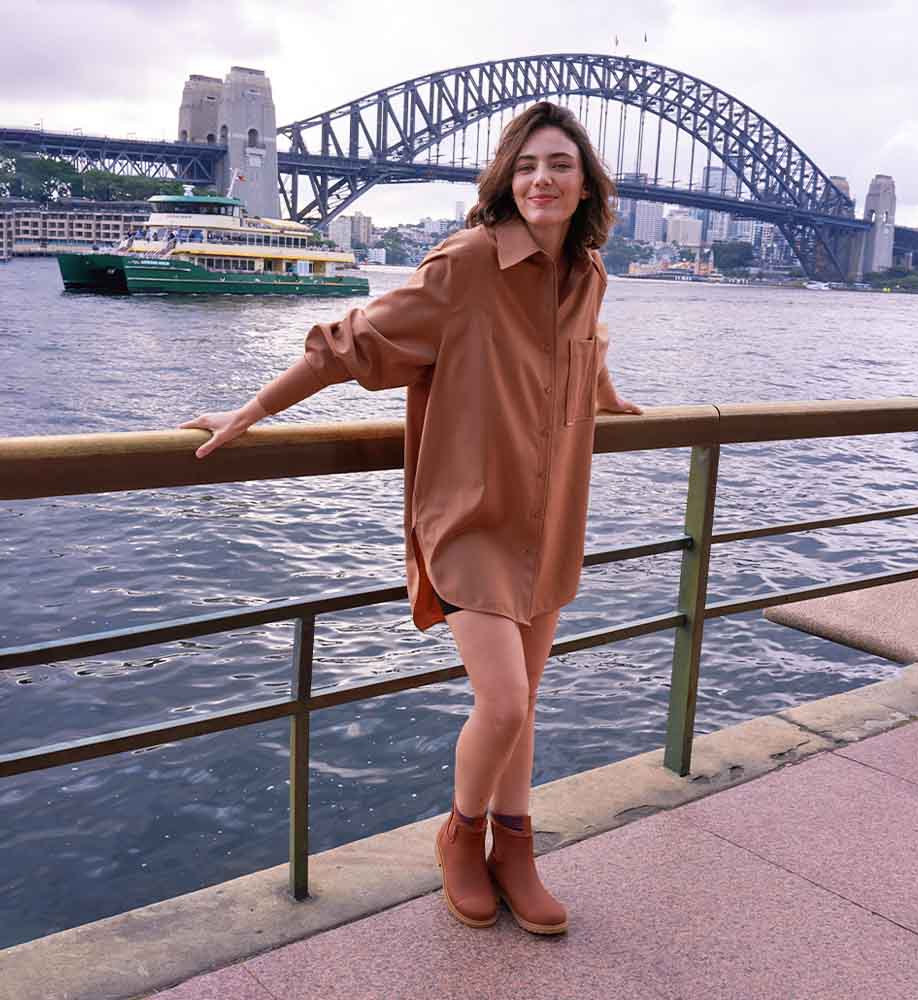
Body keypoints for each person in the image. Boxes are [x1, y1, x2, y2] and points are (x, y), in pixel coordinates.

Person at [180, 101, 642, 935]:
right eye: (527, 165)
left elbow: (588, 344)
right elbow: (349, 342)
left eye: (560, 165)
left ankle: (516, 848)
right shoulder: (468, 264)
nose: (542, 179)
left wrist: (606, 396)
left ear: (585, 186)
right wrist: (250, 412)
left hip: (550, 518)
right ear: (507, 180)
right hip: (469, 519)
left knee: (527, 700)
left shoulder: (588, 270)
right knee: (504, 703)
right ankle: (462, 836)